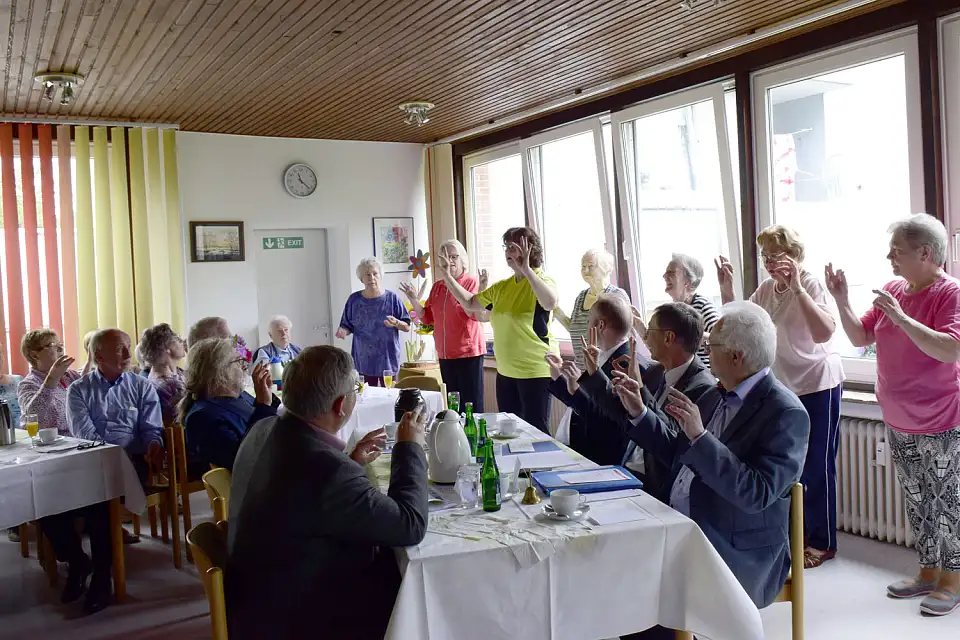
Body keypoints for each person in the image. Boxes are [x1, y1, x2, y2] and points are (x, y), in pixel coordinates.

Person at [590, 301, 809, 609]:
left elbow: (756, 494)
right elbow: (675, 452)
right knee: (610, 559)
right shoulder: (715, 395)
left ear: (736, 356)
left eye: (712, 344)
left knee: (642, 594)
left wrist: (700, 437)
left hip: (732, 545)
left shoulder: (785, 413)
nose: (705, 348)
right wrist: (639, 411)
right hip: (682, 523)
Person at [226, 345, 428, 639]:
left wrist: (348, 461)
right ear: (340, 404)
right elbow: (410, 524)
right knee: (413, 580)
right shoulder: (327, 471)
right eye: (356, 389)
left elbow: (302, 491)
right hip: (302, 617)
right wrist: (409, 447)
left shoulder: (264, 427)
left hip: (258, 595)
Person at [826, 213, 960, 615]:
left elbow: (951, 349)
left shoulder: (949, 293)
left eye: (897, 251)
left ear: (926, 252)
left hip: (941, 420)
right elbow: (860, 336)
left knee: (947, 503)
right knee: (918, 500)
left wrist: (902, 318)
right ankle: (927, 573)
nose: (890, 258)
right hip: (898, 417)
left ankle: (953, 580)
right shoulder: (892, 288)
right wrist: (842, 299)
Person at [717, 225, 844, 568]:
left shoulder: (812, 284)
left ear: (795, 255)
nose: (770, 263)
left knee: (817, 465)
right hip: (786, 387)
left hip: (819, 383)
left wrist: (800, 289)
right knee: (791, 468)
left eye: (776, 256)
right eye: (765, 257)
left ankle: (823, 542)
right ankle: (795, 537)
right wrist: (728, 291)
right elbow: (745, 322)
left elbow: (824, 332)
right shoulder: (768, 289)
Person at [441, 227, 560, 433]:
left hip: (535, 371)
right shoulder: (502, 287)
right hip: (505, 372)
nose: (508, 252)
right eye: (507, 247)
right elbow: (470, 303)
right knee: (509, 433)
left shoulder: (542, 280)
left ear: (530, 250)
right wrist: (448, 277)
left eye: (514, 247)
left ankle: (538, 467)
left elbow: (550, 302)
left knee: (536, 432)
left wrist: (528, 271)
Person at [623, 301, 717, 499]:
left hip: (658, 485)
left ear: (668, 337)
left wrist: (640, 393)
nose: (646, 337)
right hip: (629, 471)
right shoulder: (656, 371)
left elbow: (669, 444)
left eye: (650, 330)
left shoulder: (702, 387)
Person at [545, 293, 635, 465]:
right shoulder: (602, 356)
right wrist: (557, 375)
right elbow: (581, 399)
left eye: (588, 321)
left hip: (602, 458)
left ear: (600, 325)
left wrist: (578, 390)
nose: (586, 327)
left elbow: (608, 422)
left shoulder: (623, 366)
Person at [67, 329, 165, 483]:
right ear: (99, 356)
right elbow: (85, 435)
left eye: (129, 346)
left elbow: (151, 428)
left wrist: (153, 444)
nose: (128, 355)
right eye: (120, 349)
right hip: (97, 461)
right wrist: (114, 457)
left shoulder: (142, 386)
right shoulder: (78, 390)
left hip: (137, 460)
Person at [400, 239, 486, 410]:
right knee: (453, 407)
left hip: (468, 353)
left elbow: (475, 314)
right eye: (444, 257)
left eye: (454, 256)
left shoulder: (471, 282)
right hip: (445, 355)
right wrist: (413, 300)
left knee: (471, 406)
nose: (449, 261)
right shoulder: (438, 286)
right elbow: (426, 318)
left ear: (463, 260)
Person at [180, 338, 279, 471]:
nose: (243, 366)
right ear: (220, 371)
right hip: (259, 485)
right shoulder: (202, 417)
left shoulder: (238, 396)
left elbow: (266, 419)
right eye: (238, 361)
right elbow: (245, 459)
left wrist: (267, 396)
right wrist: (264, 405)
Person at [336, 257, 411, 386]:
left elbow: (407, 326)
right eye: (367, 274)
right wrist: (343, 331)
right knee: (365, 397)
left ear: (380, 276)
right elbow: (346, 325)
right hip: (363, 361)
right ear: (361, 279)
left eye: (375, 274)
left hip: (388, 360)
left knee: (389, 397)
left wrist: (396, 323)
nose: (371, 278)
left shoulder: (393, 298)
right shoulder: (354, 300)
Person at [554, 248, 628, 368]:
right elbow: (575, 329)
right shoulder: (581, 297)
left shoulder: (616, 295)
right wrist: (555, 309)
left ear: (606, 268)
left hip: (607, 369)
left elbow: (625, 335)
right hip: (581, 369)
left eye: (591, 266)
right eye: (583, 266)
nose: (586, 270)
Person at [17, 328, 81, 435]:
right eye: (53, 345)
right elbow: (32, 417)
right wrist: (51, 380)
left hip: (81, 440)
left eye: (60, 344)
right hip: (47, 445)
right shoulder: (28, 384)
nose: (60, 348)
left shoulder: (71, 376)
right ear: (35, 355)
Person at [139, 323, 187, 423]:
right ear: (166, 348)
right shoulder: (168, 385)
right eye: (178, 339)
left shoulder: (176, 373)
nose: (182, 342)